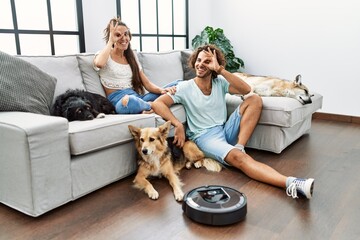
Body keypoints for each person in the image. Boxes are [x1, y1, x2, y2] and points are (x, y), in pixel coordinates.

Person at [152, 44, 315, 199]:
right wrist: (177, 124)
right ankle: (292, 184)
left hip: (225, 129)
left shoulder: (219, 82)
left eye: (207, 61)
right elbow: (157, 103)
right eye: (199, 60)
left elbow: (246, 90)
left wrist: (221, 70)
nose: (200, 64)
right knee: (240, 159)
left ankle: (239, 147)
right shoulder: (184, 87)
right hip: (205, 138)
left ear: (215, 64)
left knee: (255, 100)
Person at [93, 17, 177, 114]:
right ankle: (153, 105)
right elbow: (99, 64)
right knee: (130, 101)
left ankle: (147, 106)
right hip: (121, 102)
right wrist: (110, 41)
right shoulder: (104, 55)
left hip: (139, 98)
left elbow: (147, 84)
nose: (124, 38)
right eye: (118, 35)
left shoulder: (131, 57)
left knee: (178, 84)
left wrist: (162, 90)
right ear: (111, 37)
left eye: (126, 34)